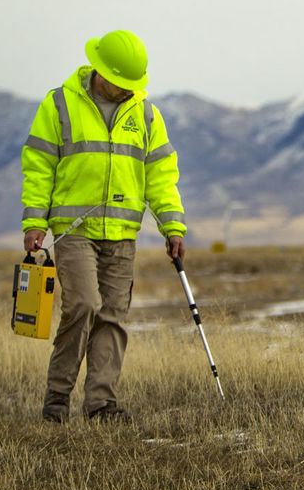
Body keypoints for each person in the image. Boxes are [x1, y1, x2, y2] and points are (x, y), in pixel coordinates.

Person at [21, 29, 187, 423]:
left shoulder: (145, 114)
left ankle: (101, 405)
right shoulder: (59, 104)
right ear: (101, 71)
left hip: (122, 234)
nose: (129, 91)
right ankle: (56, 401)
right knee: (83, 305)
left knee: (113, 314)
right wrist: (34, 220)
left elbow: (161, 175)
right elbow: (39, 165)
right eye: (122, 83)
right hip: (73, 230)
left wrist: (173, 226)